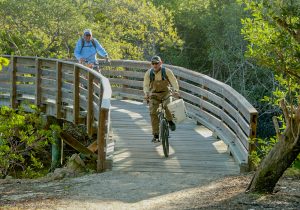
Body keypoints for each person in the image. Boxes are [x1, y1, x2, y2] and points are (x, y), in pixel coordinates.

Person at [143, 55, 180, 143]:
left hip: (166, 93)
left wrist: (176, 90)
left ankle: (170, 121)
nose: (155, 65)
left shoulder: (167, 71)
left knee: (167, 106)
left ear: (161, 63)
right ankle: (156, 135)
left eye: (157, 63)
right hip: (154, 95)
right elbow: (145, 85)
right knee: (153, 113)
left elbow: (174, 81)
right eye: (153, 63)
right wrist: (146, 93)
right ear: (151, 64)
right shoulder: (149, 73)